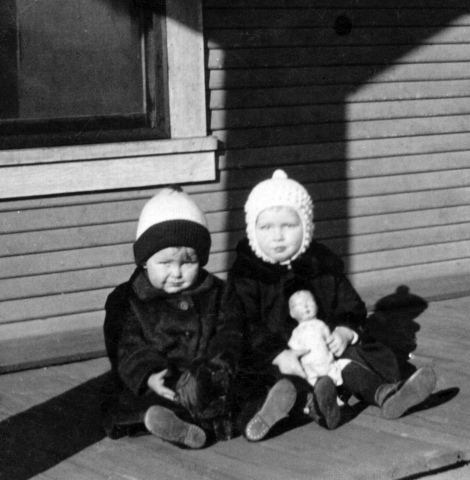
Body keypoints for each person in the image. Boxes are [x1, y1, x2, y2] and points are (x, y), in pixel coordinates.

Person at [227, 169, 436, 441]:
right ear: (252, 231)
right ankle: (277, 411)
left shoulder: (321, 264)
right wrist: (277, 353)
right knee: (265, 380)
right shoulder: (248, 273)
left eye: (288, 226)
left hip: (328, 355)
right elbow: (242, 322)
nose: (277, 236)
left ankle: (387, 395)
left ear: (306, 225)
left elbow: (349, 303)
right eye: (266, 227)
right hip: (280, 360)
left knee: (356, 359)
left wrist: (344, 330)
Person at [101, 186, 243, 449]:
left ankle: (259, 411)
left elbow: (230, 331)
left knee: (240, 389)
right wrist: (150, 374)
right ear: (144, 262)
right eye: (165, 263)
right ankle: (171, 425)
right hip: (159, 384)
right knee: (136, 402)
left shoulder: (218, 292)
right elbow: (125, 344)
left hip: (206, 377)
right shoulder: (128, 299)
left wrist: (218, 367)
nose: (177, 272)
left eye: (187, 262)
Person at [288, 290, 346, 390]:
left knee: (335, 375)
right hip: (310, 365)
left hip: (327, 360)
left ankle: (337, 395)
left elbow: (329, 338)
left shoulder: (321, 325)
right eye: (300, 305)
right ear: (292, 313)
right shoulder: (296, 331)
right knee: (313, 383)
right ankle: (321, 396)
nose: (306, 306)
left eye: (310, 302)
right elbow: (293, 347)